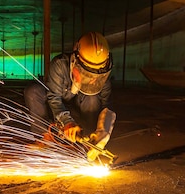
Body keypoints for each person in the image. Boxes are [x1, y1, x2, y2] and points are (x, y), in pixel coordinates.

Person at [24, 32, 116, 161]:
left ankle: (89, 141)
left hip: (81, 110)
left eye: (96, 75)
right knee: (33, 91)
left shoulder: (103, 78)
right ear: (75, 60)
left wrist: (104, 131)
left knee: (93, 98)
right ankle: (44, 138)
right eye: (87, 73)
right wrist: (67, 121)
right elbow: (54, 97)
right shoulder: (60, 64)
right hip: (56, 108)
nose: (92, 80)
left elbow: (107, 106)